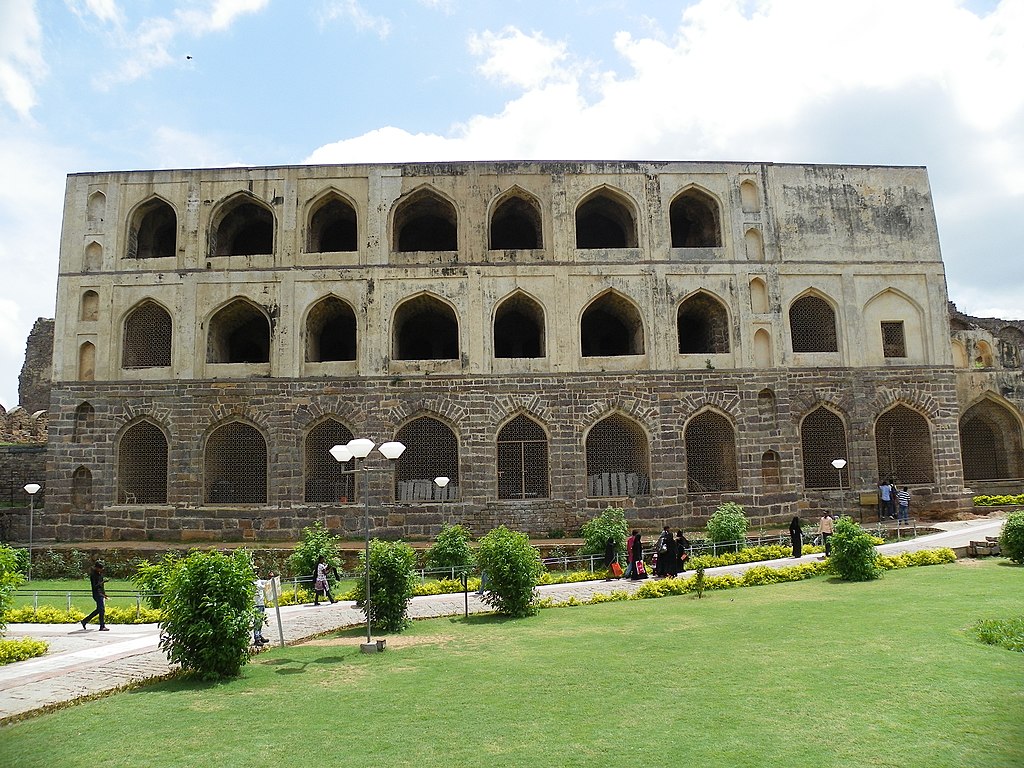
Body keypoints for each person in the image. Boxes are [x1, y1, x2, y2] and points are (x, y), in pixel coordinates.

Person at [81, 560, 108, 631]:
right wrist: (101, 582)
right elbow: (94, 586)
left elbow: (101, 586)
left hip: (100, 594)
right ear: (96, 568)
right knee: (101, 610)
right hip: (96, 594)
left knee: (99, 610)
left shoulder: (100, 575)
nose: (101, 570)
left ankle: (85, 621)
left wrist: (104, 594)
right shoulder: (93, 575)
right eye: (100, 568)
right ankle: (102, 626)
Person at [253, 570, 275, 645]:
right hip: (256, 604)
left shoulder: (258, 581)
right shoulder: (253, 583)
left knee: (260, 621)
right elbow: (264, 587)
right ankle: (257, 638)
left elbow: (265, 582)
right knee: (257, 622)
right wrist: (269, 582)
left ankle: (259, 635)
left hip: (261, 603)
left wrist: (270, 578)